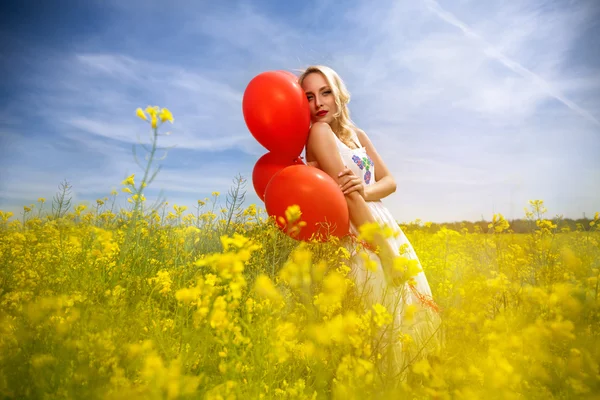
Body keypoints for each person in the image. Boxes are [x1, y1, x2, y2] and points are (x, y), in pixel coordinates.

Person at [297, 65, 442, 380]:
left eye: (325, 92)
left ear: (339, 94)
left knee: (398, 315)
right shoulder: (318, 132)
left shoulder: (356, 134)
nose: (318, 103)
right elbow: (349, 200)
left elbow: (389, 182)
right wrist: (386, 253)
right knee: (377, 320)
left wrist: (365, 188)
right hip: (358, 232)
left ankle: (408, 383)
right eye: (309, 96)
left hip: (380, 221)